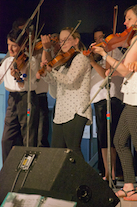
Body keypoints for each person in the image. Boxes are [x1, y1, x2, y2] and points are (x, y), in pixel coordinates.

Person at [91, 4, 137, 200]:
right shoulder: (131, 42)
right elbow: (127, 69)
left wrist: (104, 56)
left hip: (135, 98)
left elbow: (128, 70)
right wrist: (114, 70)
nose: (125, 23)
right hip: (130, 97)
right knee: (119, 141)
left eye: (128, 19)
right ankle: (129, 185)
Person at [36, 27, 92, 158]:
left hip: (76, 109)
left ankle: (81, 178)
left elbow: (70, 80)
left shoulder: (81, 58)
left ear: (76, 41)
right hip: (61, 110)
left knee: (73, 150)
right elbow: (56, 83)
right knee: (57, 152)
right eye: (61, 41)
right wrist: (45, 73)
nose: (63, 43)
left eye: (66, 40)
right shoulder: (64, 62)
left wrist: (51, 71)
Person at [89, 26, 124, 184]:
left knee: (111, 137)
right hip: (98, 99)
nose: (99, 41)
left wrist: (92, 60)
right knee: (103, 137)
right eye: (96, 38)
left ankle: (113, 173)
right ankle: (106, 172)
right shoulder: (98, 56)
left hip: (111, 98)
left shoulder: (113, 52)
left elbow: (105, 74)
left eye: (102, 37)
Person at [0, 28, 39, 163]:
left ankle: (28, 171)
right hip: (12, 99)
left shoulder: (31, 60)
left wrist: (18, 77)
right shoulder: (7, 61)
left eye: (14, 46)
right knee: (6, 139)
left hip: (27, 98)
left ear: (22, 46)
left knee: (28, 137)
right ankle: (6, 172)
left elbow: (23, 84)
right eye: (9, 45)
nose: (10, 49)